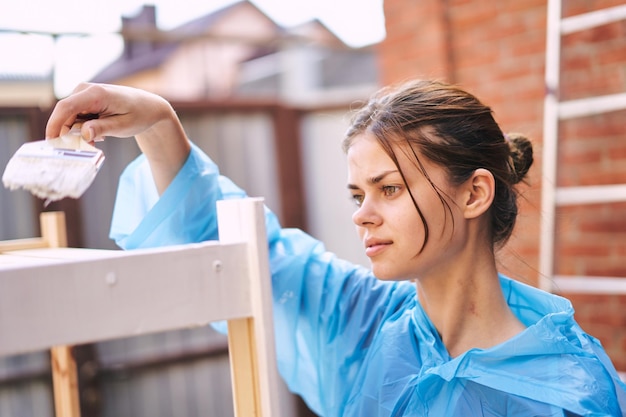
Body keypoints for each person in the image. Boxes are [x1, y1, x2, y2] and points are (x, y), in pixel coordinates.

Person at [46, 80, 626, 416]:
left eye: (390, 189)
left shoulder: (569, 392)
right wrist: (158, 122)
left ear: (474, 192)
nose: (361, 214)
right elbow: (251, 257)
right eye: (357, 193)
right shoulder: (364, 322)